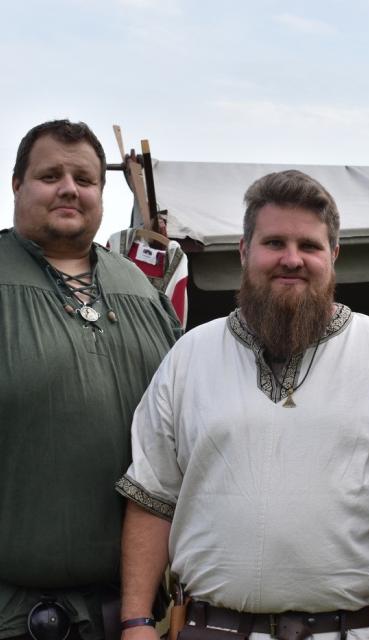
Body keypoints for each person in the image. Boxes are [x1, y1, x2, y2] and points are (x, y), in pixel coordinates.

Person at [115, 169, 369, 640]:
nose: (292, 259)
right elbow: (152, 497)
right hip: (213, 630)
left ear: (333, 255)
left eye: (309, 245)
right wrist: (136, 621)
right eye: (274, 243)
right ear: (244, 251)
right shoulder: (189, 356)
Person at [0, 120, 181, 640]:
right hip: (16, 618)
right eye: (50, 176)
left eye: (84, 179)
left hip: (133, 615)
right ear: (17, 184)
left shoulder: (141, 291)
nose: (69, 189)